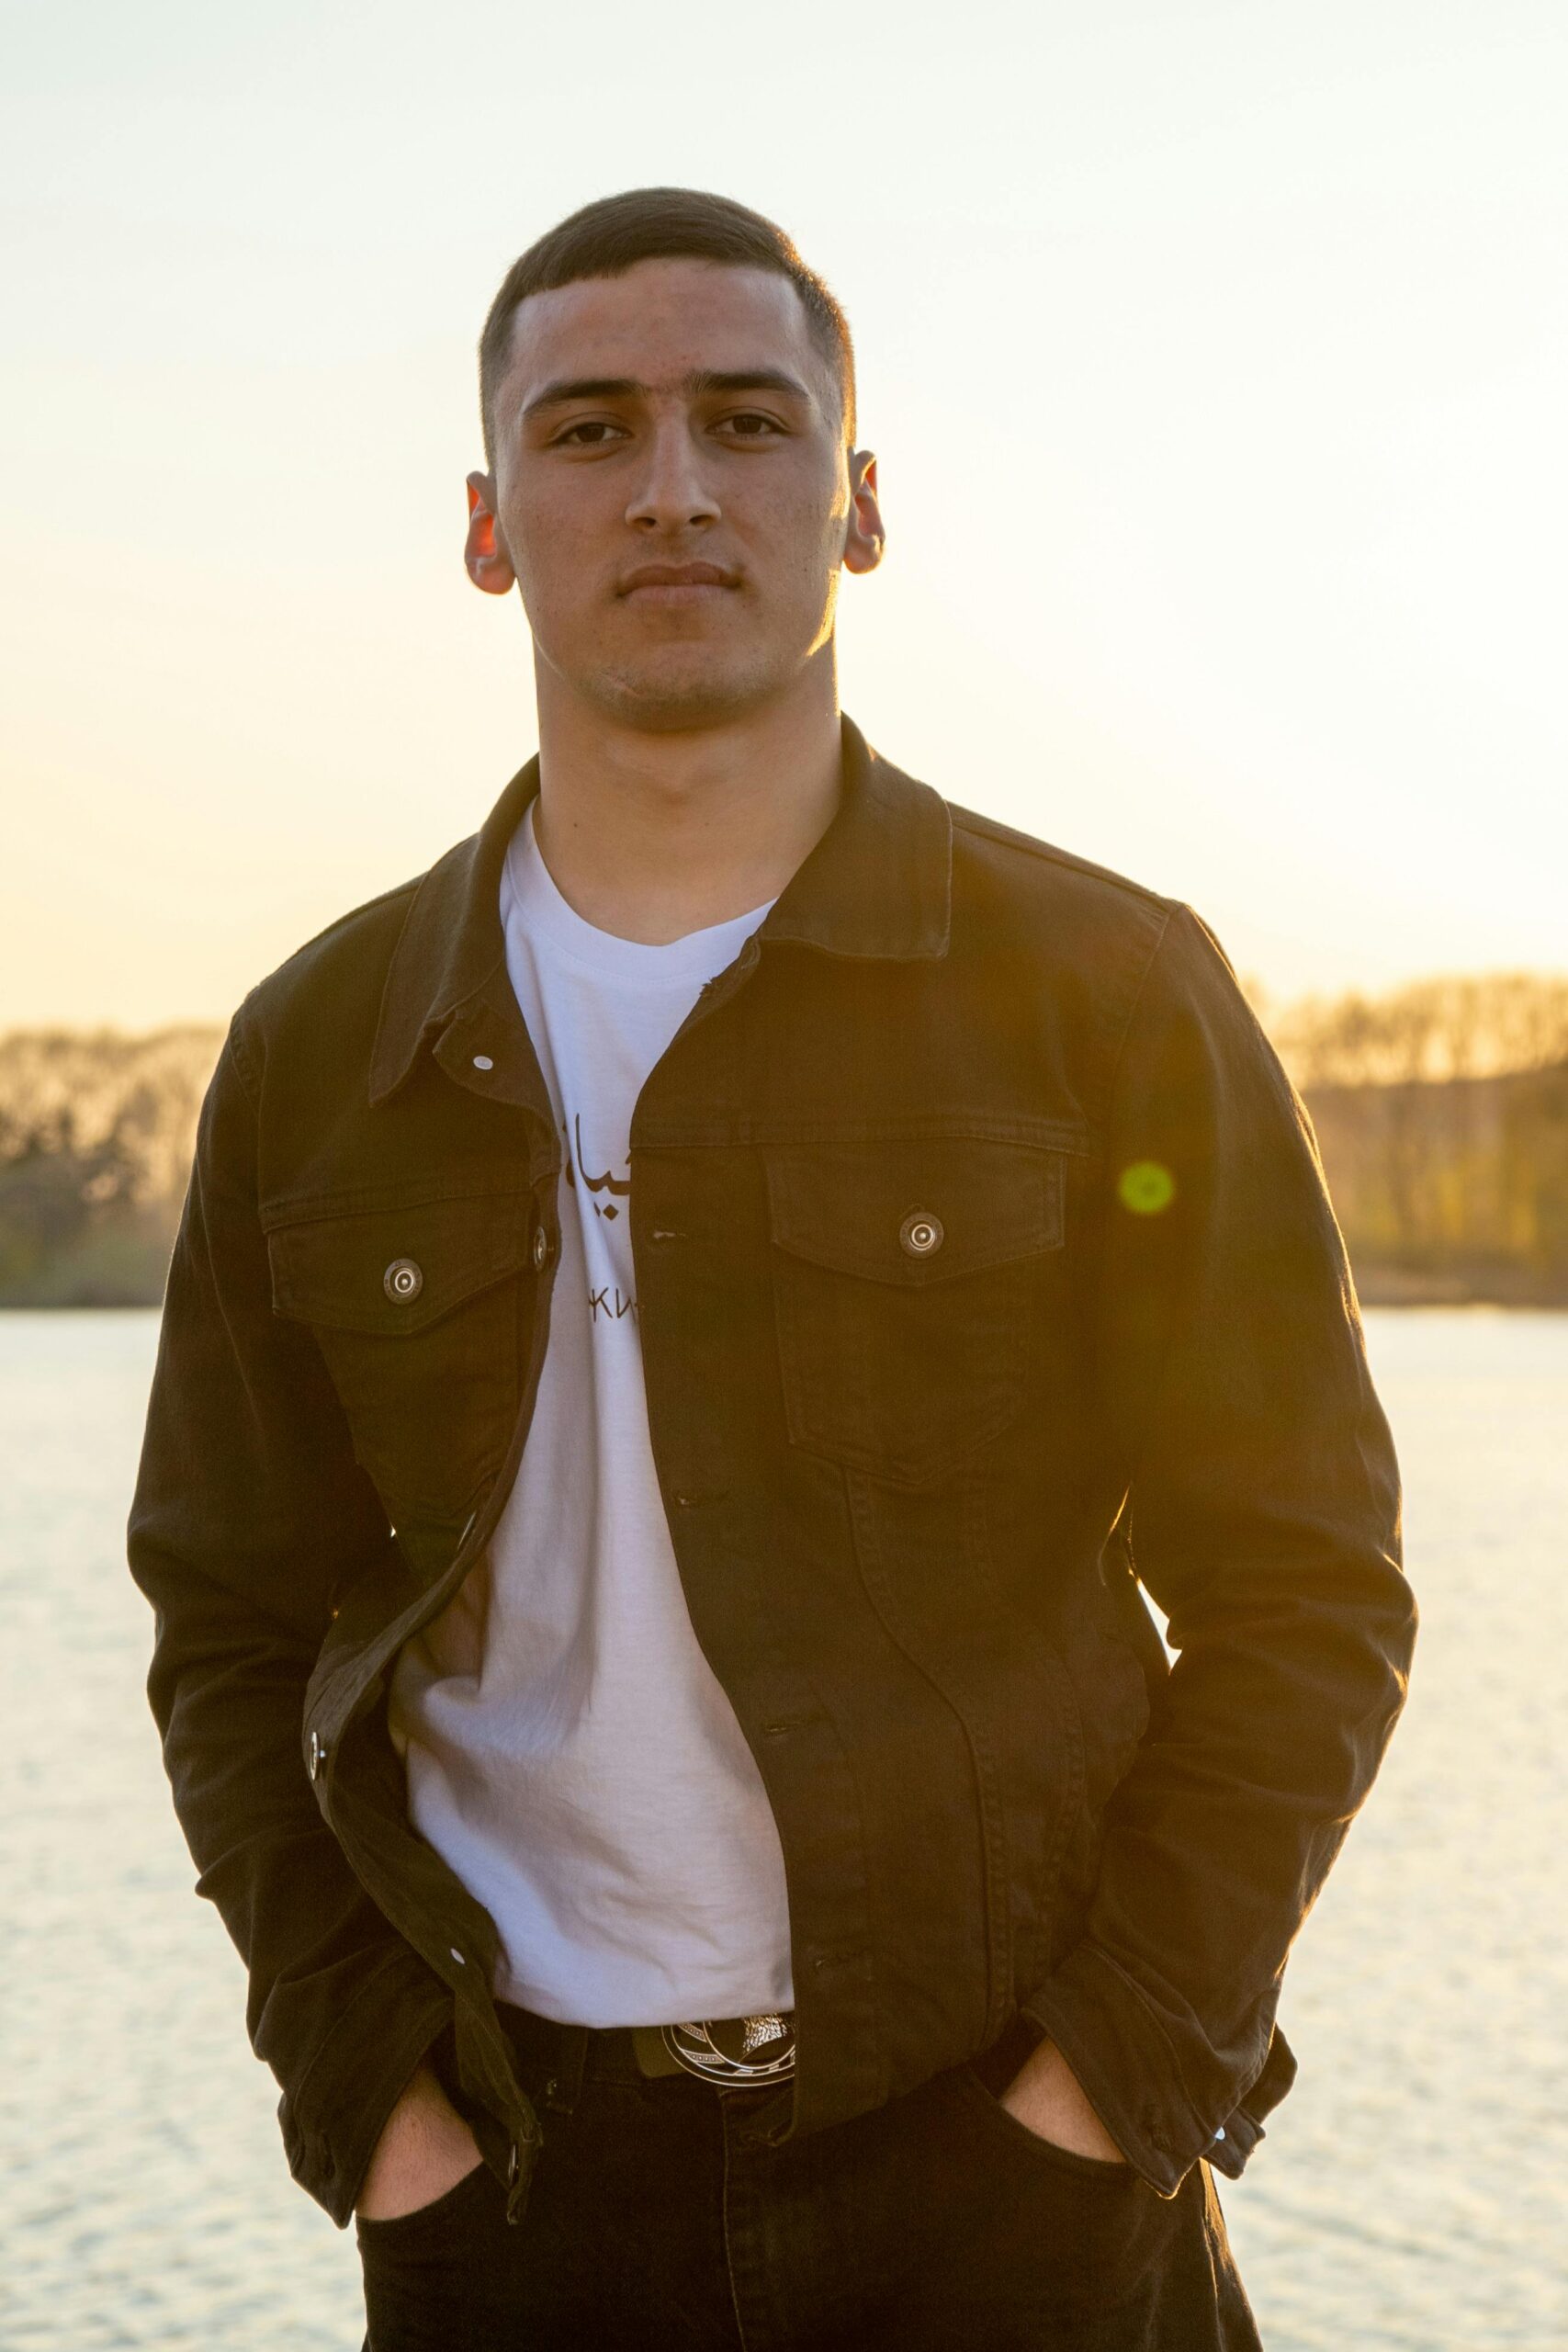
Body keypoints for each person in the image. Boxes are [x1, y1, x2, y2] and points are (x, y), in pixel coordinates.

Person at [128, 187, 1415, 2350]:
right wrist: (370, 2102)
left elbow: (1308, 1587)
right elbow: (230, 1628)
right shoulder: (318, 1051)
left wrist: (1099, 2091)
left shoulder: (1101, 991)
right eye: (588, 431)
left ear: (858, 502)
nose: (669, 490)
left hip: (1010, 2168)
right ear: (483, 525)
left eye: (744, 421)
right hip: (514, 2188)